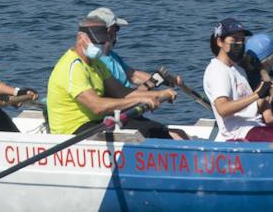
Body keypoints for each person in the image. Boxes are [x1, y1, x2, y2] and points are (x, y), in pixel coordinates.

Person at [46, 15, 176, 138]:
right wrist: (140, 100)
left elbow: (122, 93)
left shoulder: (97, 63)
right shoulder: (73, 67)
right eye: (95, 42)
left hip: (96, 122)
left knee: (155, 129)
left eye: (102, 42)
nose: (99, 46)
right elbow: (97, 106)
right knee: (145, 133)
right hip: (72, 131)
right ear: (80, 38)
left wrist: (158, 94)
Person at [203, 17, 273, 142]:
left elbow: (249, 107)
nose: (239, 45)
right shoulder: (217, 71)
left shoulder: (237, 69)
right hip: (238, 133)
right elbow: (223, 109)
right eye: (234, 40)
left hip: (255, 126)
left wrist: (264, 94)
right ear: (220, 42)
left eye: (242, 40)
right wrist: (257, 95)